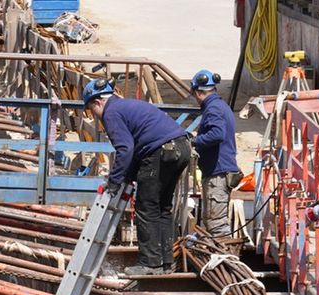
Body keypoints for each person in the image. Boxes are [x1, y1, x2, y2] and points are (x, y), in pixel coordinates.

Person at [83, 78, 192, 271]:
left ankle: (150, 264)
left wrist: (114, 182)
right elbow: (136, 148)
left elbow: (125, 149)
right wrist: (127, 176)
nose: (96, 116)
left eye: (92, 110)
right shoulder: (127, 105)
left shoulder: (111, 113)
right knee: (162, 207)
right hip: (180, 147)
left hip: (160, 151)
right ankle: (166, 262)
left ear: (98, 102)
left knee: (146, 206)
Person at [190, 69, 243, 240]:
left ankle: (226, 256)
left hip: (218, 173)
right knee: (212, 222)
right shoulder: (220, 106)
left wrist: (195, 141)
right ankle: (222, 254)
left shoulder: (213, 109)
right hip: (218, 171)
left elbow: (217, 134)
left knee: (216, 225)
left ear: (198, 92)